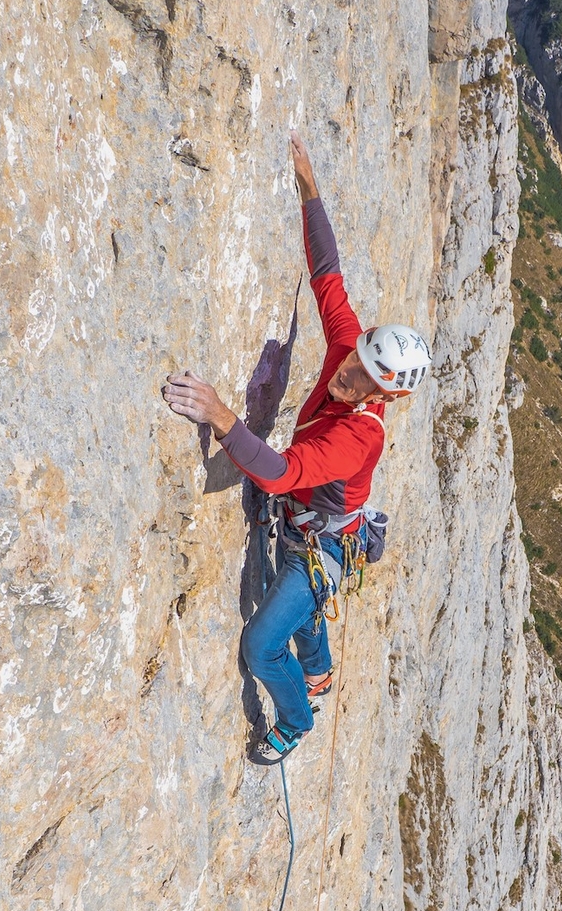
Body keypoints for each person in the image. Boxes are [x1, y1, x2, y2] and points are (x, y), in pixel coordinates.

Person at [161, 131, 432, 763]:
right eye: (359, 357)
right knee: (303, 615)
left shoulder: (359, 437)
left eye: (366, 375)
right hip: (309, 531)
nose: (349, 372)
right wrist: (311, 190)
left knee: (261, 644)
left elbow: (283, 473)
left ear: (385, 394)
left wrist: (223, 417)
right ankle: (321, 669)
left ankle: (297, 716)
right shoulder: (348, 349)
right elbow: (328, 277)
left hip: (323, 543)